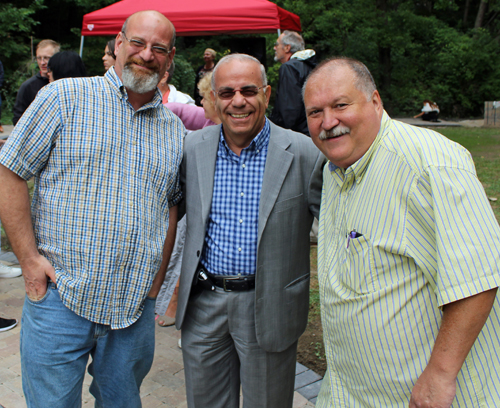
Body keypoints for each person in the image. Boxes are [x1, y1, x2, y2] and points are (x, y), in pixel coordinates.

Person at [0, 10, 183, 408]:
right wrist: (29, 261)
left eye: (159, 49)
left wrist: (155, 286)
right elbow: (9, 171)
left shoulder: (175, 131)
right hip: (59, 300)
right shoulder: (64, 98)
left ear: (170, 59)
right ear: (117, 45)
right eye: (137, 43)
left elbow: (170, 209)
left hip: (132, 309)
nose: (146, 55)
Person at [303, 57, 500, 408]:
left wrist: (440, 375)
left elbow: (479, 279)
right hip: (353, 393)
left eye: (340, 105)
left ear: (375, 101)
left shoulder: (430, 163)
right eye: (315, 112)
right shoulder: (337, 169)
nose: (328, 122)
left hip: (421, 398)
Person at [176, 53, 324, 408]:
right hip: (204, 305)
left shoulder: (305, 153)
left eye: (248, 90)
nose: (238, 101)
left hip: (269, 308)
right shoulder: (193, 148)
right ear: (213, 99)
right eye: (226, 92)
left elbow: (338, 228)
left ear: (267, 94)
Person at [269, 30, 316, 136]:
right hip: (312, 131)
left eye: (277, 45)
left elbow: (289, 110)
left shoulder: (289, 68)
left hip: (296, 135)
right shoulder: (310, 65)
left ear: (287, 48)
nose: (274, 48)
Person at [12, 39, 60, 125]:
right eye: (39, 58)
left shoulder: (64, 84)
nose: (42, 62)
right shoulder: (28, 86)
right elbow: (18, 118)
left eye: (46, 58)